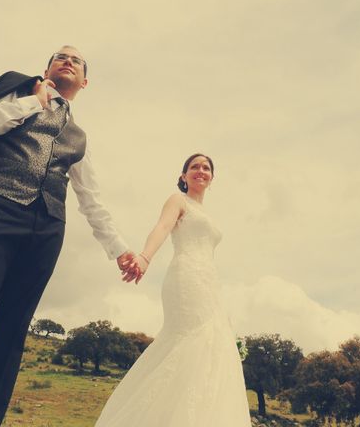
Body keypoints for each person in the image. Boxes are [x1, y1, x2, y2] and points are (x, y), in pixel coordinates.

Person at [0, 46, 137, 427]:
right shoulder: (17, 98)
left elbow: (91, 201)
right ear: (47, 68)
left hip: (46, 230)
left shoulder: (80, 138)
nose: (67, 60)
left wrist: (119, 250)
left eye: (76, 60)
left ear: (85, 81)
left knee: (12, 331)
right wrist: (34, 101)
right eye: (60, 56)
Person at [99, 153, 252, 427]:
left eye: (206, 168)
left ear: (212, 178)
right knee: (191, 341)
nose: (201, 171)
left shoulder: (207, 213)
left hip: (210, 283)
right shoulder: (178, 200)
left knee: (213, 348)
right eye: (194, 167)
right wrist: (144, 258)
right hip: (186, 277)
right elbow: (162, 227)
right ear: (183, 176)